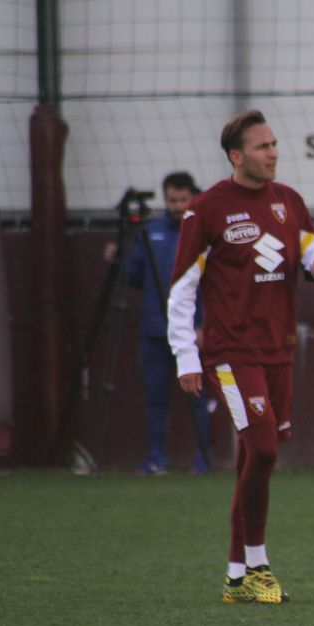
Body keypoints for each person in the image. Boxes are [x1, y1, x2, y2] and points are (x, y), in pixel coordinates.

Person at [168, 110, 314, 604]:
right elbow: (182, 291)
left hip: (277, 350)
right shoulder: (206, 210)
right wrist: (186, 357)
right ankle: (260, 566)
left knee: (254, 457)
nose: (273, 153)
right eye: (262, 147)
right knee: (263, 449)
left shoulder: (289, 202)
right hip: (231, 351)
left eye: (274, 144)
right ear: (236, 156)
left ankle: (236, 575)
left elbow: (311, 248)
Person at [106, 172, 213, 476]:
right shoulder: (150, 232)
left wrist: (204, 323)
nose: (178, 206)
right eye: (172, 200)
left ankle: (203, 459)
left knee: (198, 396)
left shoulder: (204, 232)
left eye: (183, 199)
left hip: (191, 330)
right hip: (153, 329)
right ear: (165, 200)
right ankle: (156, 457)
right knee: (155, 395)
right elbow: (136, 277)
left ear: (193, 197)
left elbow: (212, 284)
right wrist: (118, 261)